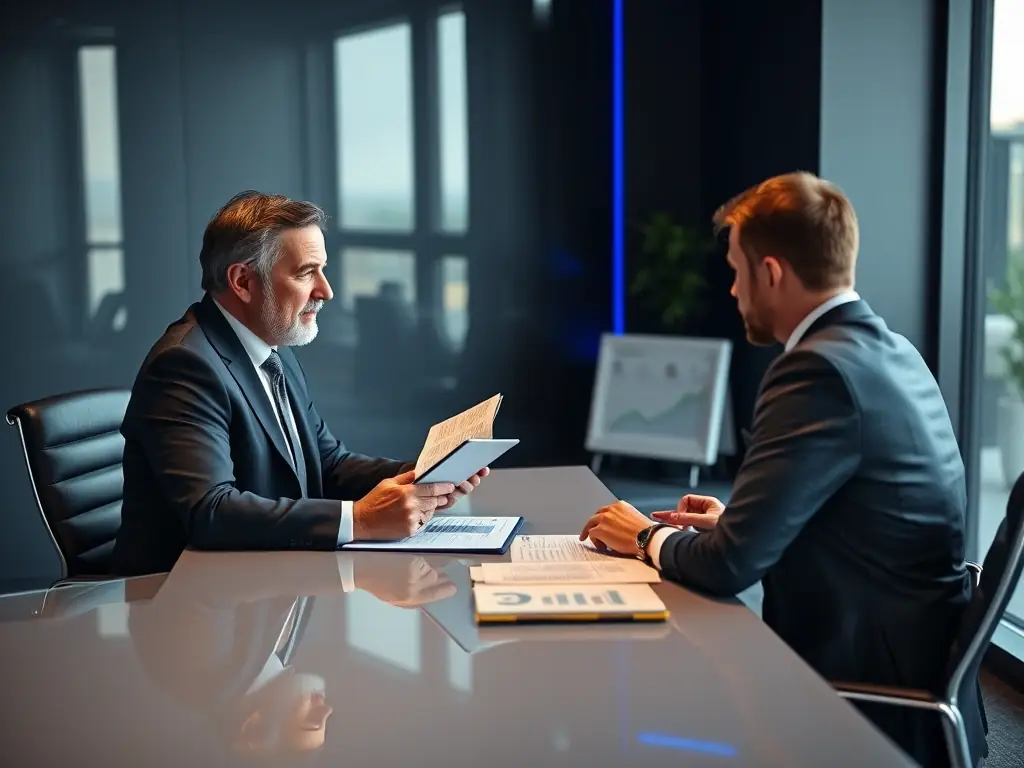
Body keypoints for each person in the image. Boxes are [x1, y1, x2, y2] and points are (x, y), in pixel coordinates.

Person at [579, 172, 985, 767]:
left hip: (862, 686)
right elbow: (858, 516)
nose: (733, 291)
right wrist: (738, 518)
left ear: (771, 272)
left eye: (737, 271)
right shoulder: (891, 349)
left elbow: (728, 567)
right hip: (912, 649)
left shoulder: (816, 372)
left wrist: (643, 534)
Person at [113, 191, 487, 576]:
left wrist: (423, 477)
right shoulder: (185, 364)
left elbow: (326, 463)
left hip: (263, 584)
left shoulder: (273, 348)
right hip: (178, 601)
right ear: (243, 280)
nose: (326, 291)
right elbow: (211, 510)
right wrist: (357, 519)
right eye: (307, 272)